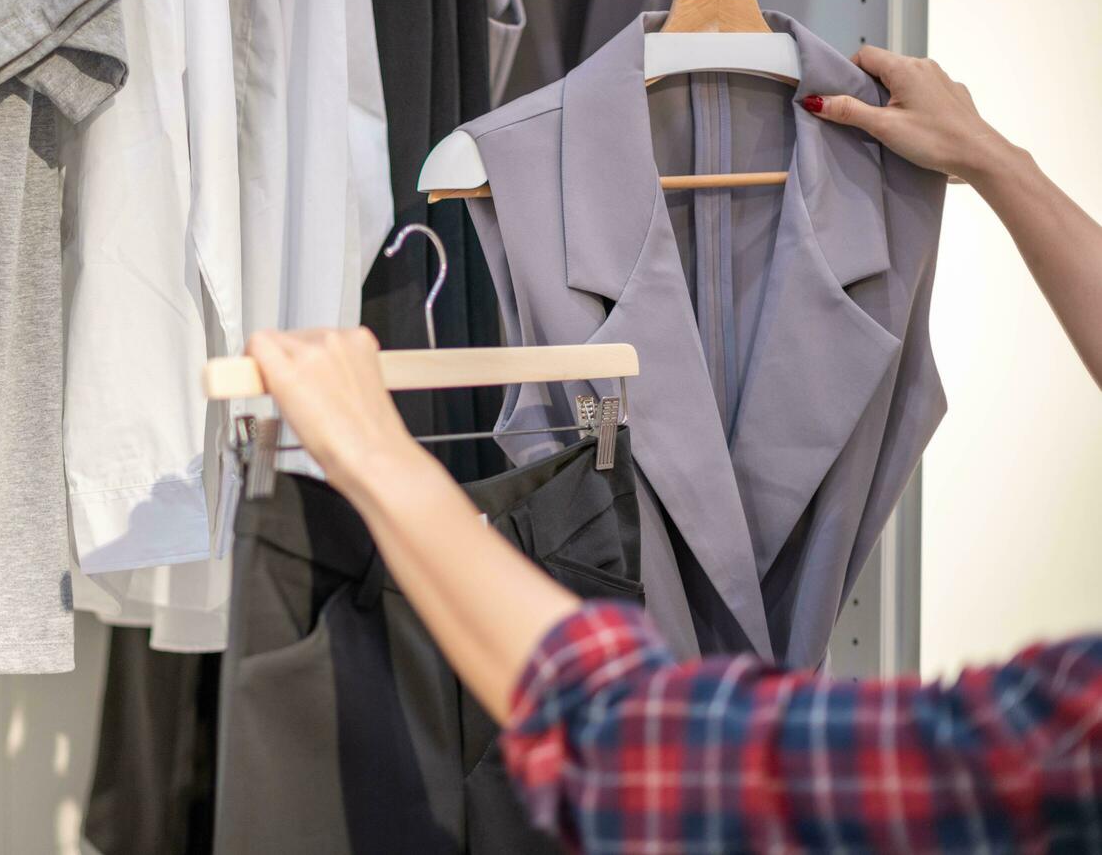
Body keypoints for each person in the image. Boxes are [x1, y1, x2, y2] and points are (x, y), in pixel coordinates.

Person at [244, 46, 1102, 853]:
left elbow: (638, 741)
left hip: (590, 730)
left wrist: (384, 464)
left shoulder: (1065, 736)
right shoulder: (522, 166)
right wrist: (998, 161)